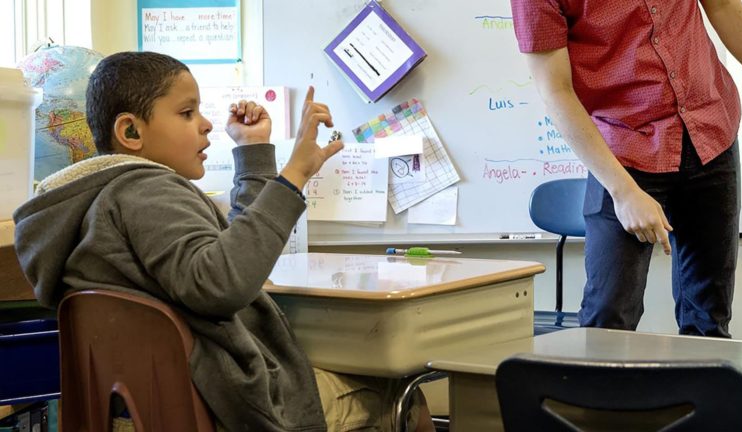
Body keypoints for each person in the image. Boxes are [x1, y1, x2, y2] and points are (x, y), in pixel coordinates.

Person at [13, 51, 433, 432]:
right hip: (224, 408)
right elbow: (220, 284)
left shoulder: (97, 203)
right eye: (186, 112)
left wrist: (253, 153)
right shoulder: (147, 191)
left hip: (143, 413)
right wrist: (295, 176)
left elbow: (225, 252)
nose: (207, 122)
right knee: (403, 395)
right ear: (131, 131)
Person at [511, 0, 742, 336]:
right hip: (623, 152)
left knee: (709, 318)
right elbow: (556, 90)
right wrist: (624, 191)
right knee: (608, 318)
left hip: (710, 132)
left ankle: (700, 390)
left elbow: (722, 7)